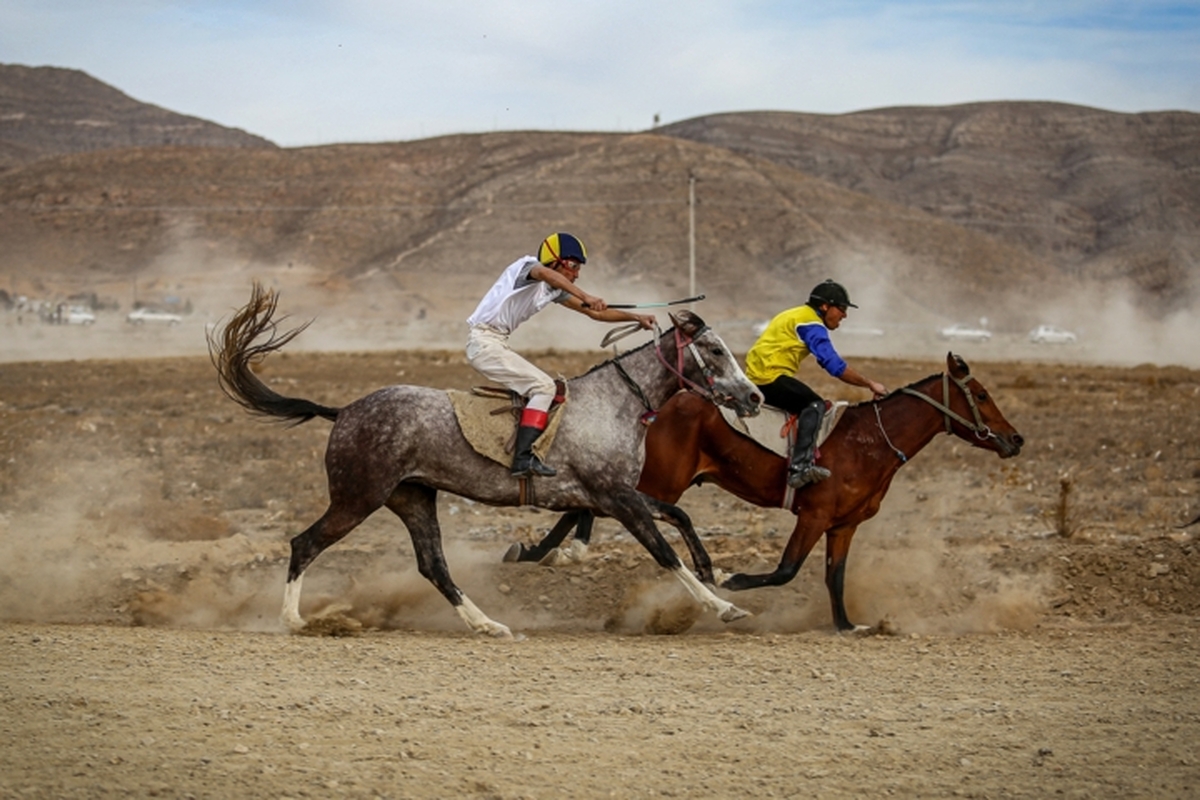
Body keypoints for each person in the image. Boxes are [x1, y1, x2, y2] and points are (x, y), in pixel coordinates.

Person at [466, 233, 655, 477]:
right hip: (484, 342)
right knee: (545, 388)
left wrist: (636, 318)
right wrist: (585, 295)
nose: (576, 274)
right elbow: (547, 274)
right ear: (554, 260)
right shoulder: (528, 267)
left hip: (496, 342)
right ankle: (523, 460)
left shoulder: (553, 290)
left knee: (546, 388)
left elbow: (596, 314)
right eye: (573, 266)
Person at [744, 279, 888, 488]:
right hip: (769, 377)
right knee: (814, 405)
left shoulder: (795, 314)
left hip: (759, 374)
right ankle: (800, 467)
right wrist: (870, 384)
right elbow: (834, 366)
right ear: (824, 306)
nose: (844, 315)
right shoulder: (811, 324)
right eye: (841, 309)